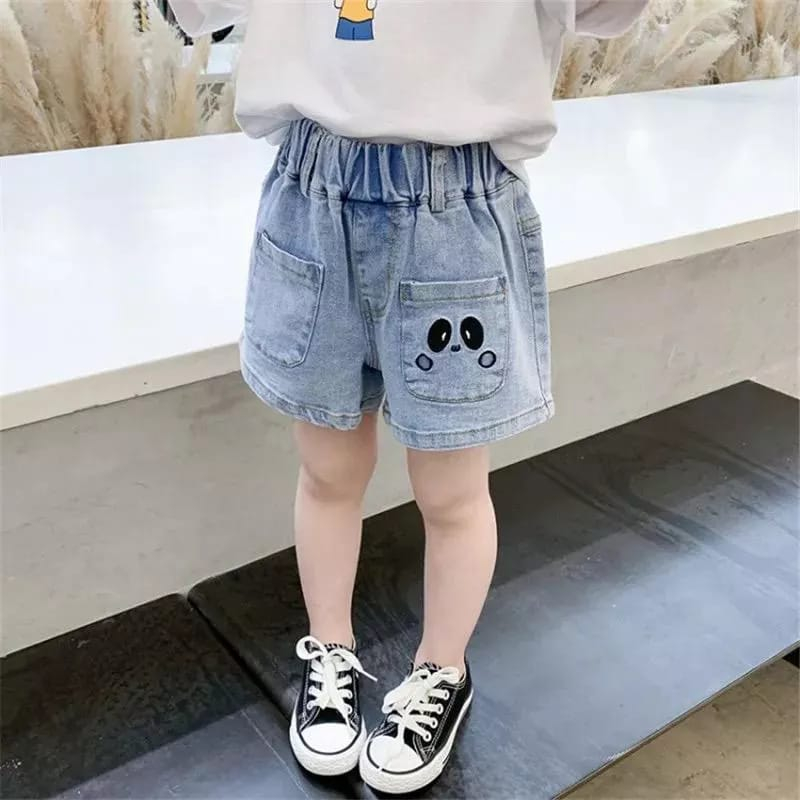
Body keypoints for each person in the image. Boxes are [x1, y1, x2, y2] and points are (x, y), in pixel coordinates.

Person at [170, 0, 648, 793]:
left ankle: (441, 671)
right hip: (313, 190)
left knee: (451, 490)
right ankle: (330, 651)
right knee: (327, 469)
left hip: (456, 203)